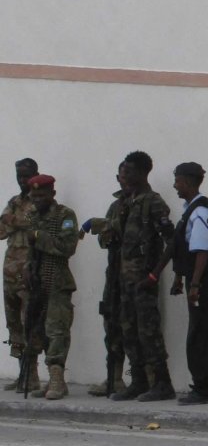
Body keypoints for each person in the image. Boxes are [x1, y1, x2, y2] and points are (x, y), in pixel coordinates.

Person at [110, 151, 176, 403]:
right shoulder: (127, 202)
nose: (124, 175)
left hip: (143, 280)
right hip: (125, 281)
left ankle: (162, 383)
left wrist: (154, 274)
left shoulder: (153, 203)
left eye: (128, 170)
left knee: (149, 333)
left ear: (141, 173)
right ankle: (138, 381)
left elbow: (171, 242)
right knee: (129, 331)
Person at [168, 162, 208, 404]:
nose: (175, 185)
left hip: (206, 280)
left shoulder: (200, 211)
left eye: (178, 180)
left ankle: (204, 387)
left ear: (189, 182)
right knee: (206, 332)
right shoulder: (192, 208)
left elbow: (202, 250)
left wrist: (194, 285)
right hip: (203, 279)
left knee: (202, 334)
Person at [20, 175, 77, 399]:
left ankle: (57, 378)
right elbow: (30, 250)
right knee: (39, 329)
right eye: (34, 196)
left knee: (57, 331)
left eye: (42, 196)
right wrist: (27, 266)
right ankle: (49, 379)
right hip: (37, 282)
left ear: (52, 194)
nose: (37, 200)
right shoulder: (32, 216)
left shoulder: (64, 215)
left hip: (57, 281)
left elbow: (67, 247)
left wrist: (38, 236)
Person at [80, 164, 129, 397]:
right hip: (115, 274)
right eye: (121, 175)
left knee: (138, 329)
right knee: (111, 325)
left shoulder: (148, 202)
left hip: (136, 276)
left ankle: (146, 379)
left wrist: (105, 226)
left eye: (128, 174)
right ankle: (114, 378)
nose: (123, 179)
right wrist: (106, 230)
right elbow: (104, 241)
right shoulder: (115, 206)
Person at [1, 158, 40, 392]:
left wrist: (13, 221)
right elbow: (1, 230)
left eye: (26, 175)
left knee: (29, 324)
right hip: (9, 272)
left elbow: (32, 223)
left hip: (27, 272)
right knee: (14, 325)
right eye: (19, 175)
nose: (22, 180)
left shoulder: (40, 200)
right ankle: (21, 372)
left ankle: (32, 375)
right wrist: (13, 222)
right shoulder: (14, 201)